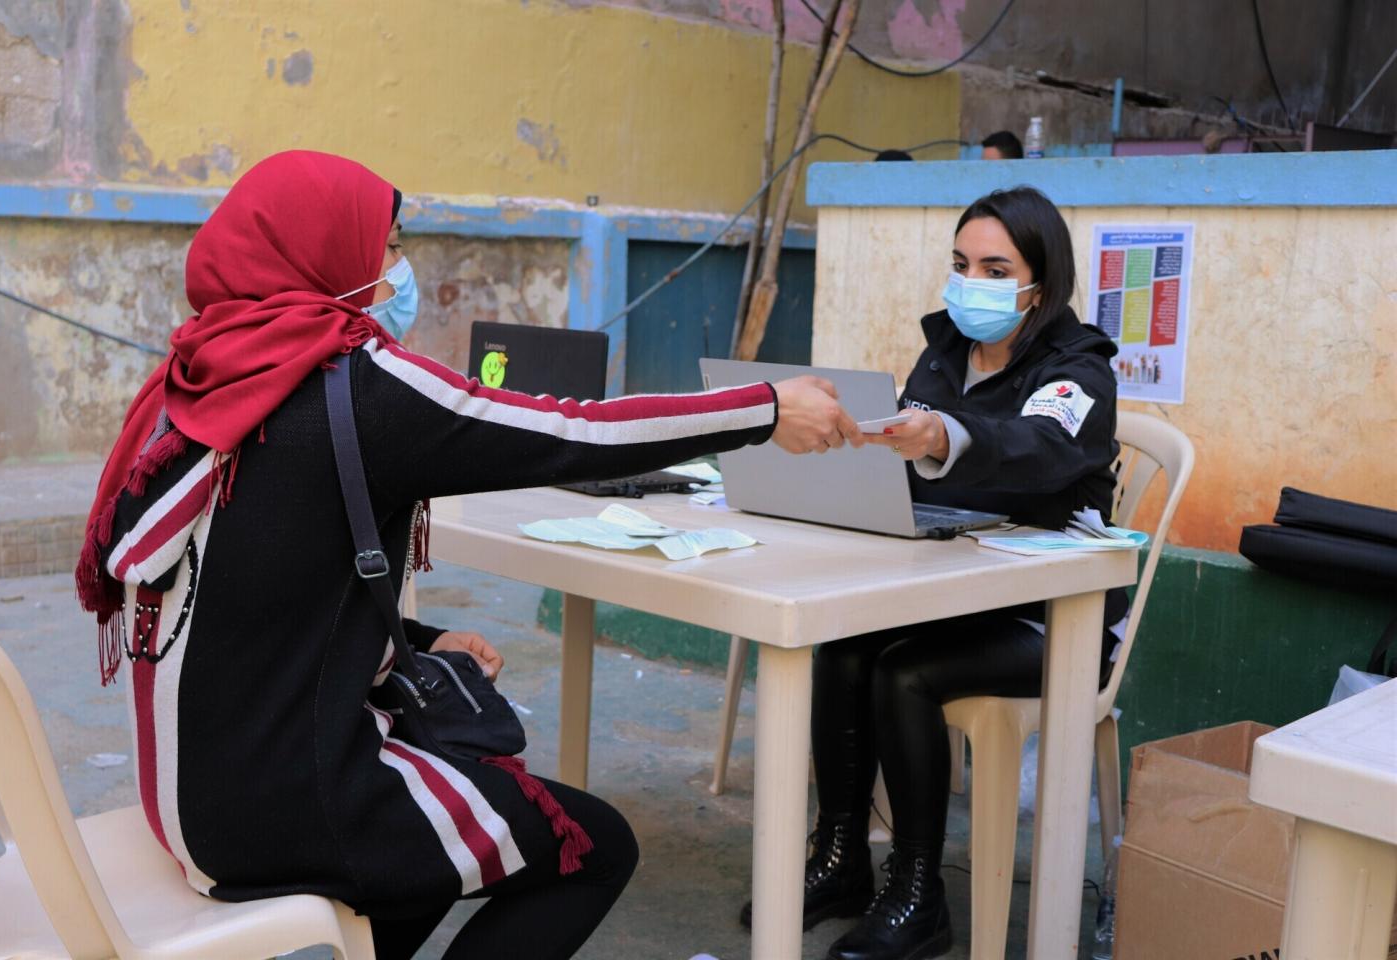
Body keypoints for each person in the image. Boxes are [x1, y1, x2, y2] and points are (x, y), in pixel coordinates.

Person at [75, 150, 863, 960]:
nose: (396, 271)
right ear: (324, 254)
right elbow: (573, 430)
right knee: (593, 848)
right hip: (287, 805)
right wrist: (765, 408)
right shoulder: (356, 385)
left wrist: (408, 643)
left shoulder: (200, 377)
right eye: (387, 246)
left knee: (430, 823)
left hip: (189, 795)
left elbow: (255, 593)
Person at [739, 186, 1126, 960]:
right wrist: (858, 451)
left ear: (1040, 283)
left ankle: (919, 896)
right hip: (953, 586)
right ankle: (843, 858)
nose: (969, 283)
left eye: (993, 267)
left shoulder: (1078, 369)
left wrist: (942, 435)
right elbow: (914, 469)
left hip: (1052, 616)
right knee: (846, 648)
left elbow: (1037, 449)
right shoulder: (945, 349)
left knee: (904, 674)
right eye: (959, 264)